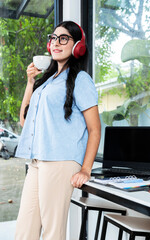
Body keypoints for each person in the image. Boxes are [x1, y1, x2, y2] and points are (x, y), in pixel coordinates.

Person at [15, 20, 101, 240]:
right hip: (37, 161)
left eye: (63, 38)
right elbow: (25, 121)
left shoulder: (81, 80)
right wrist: (30, 82)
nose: (55, 42)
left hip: (61, 161)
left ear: (77, 46)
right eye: (53, 38)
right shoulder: (45, 83)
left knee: (53, 232)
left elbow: (94, 129)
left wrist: (86, 169)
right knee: (25, 231)